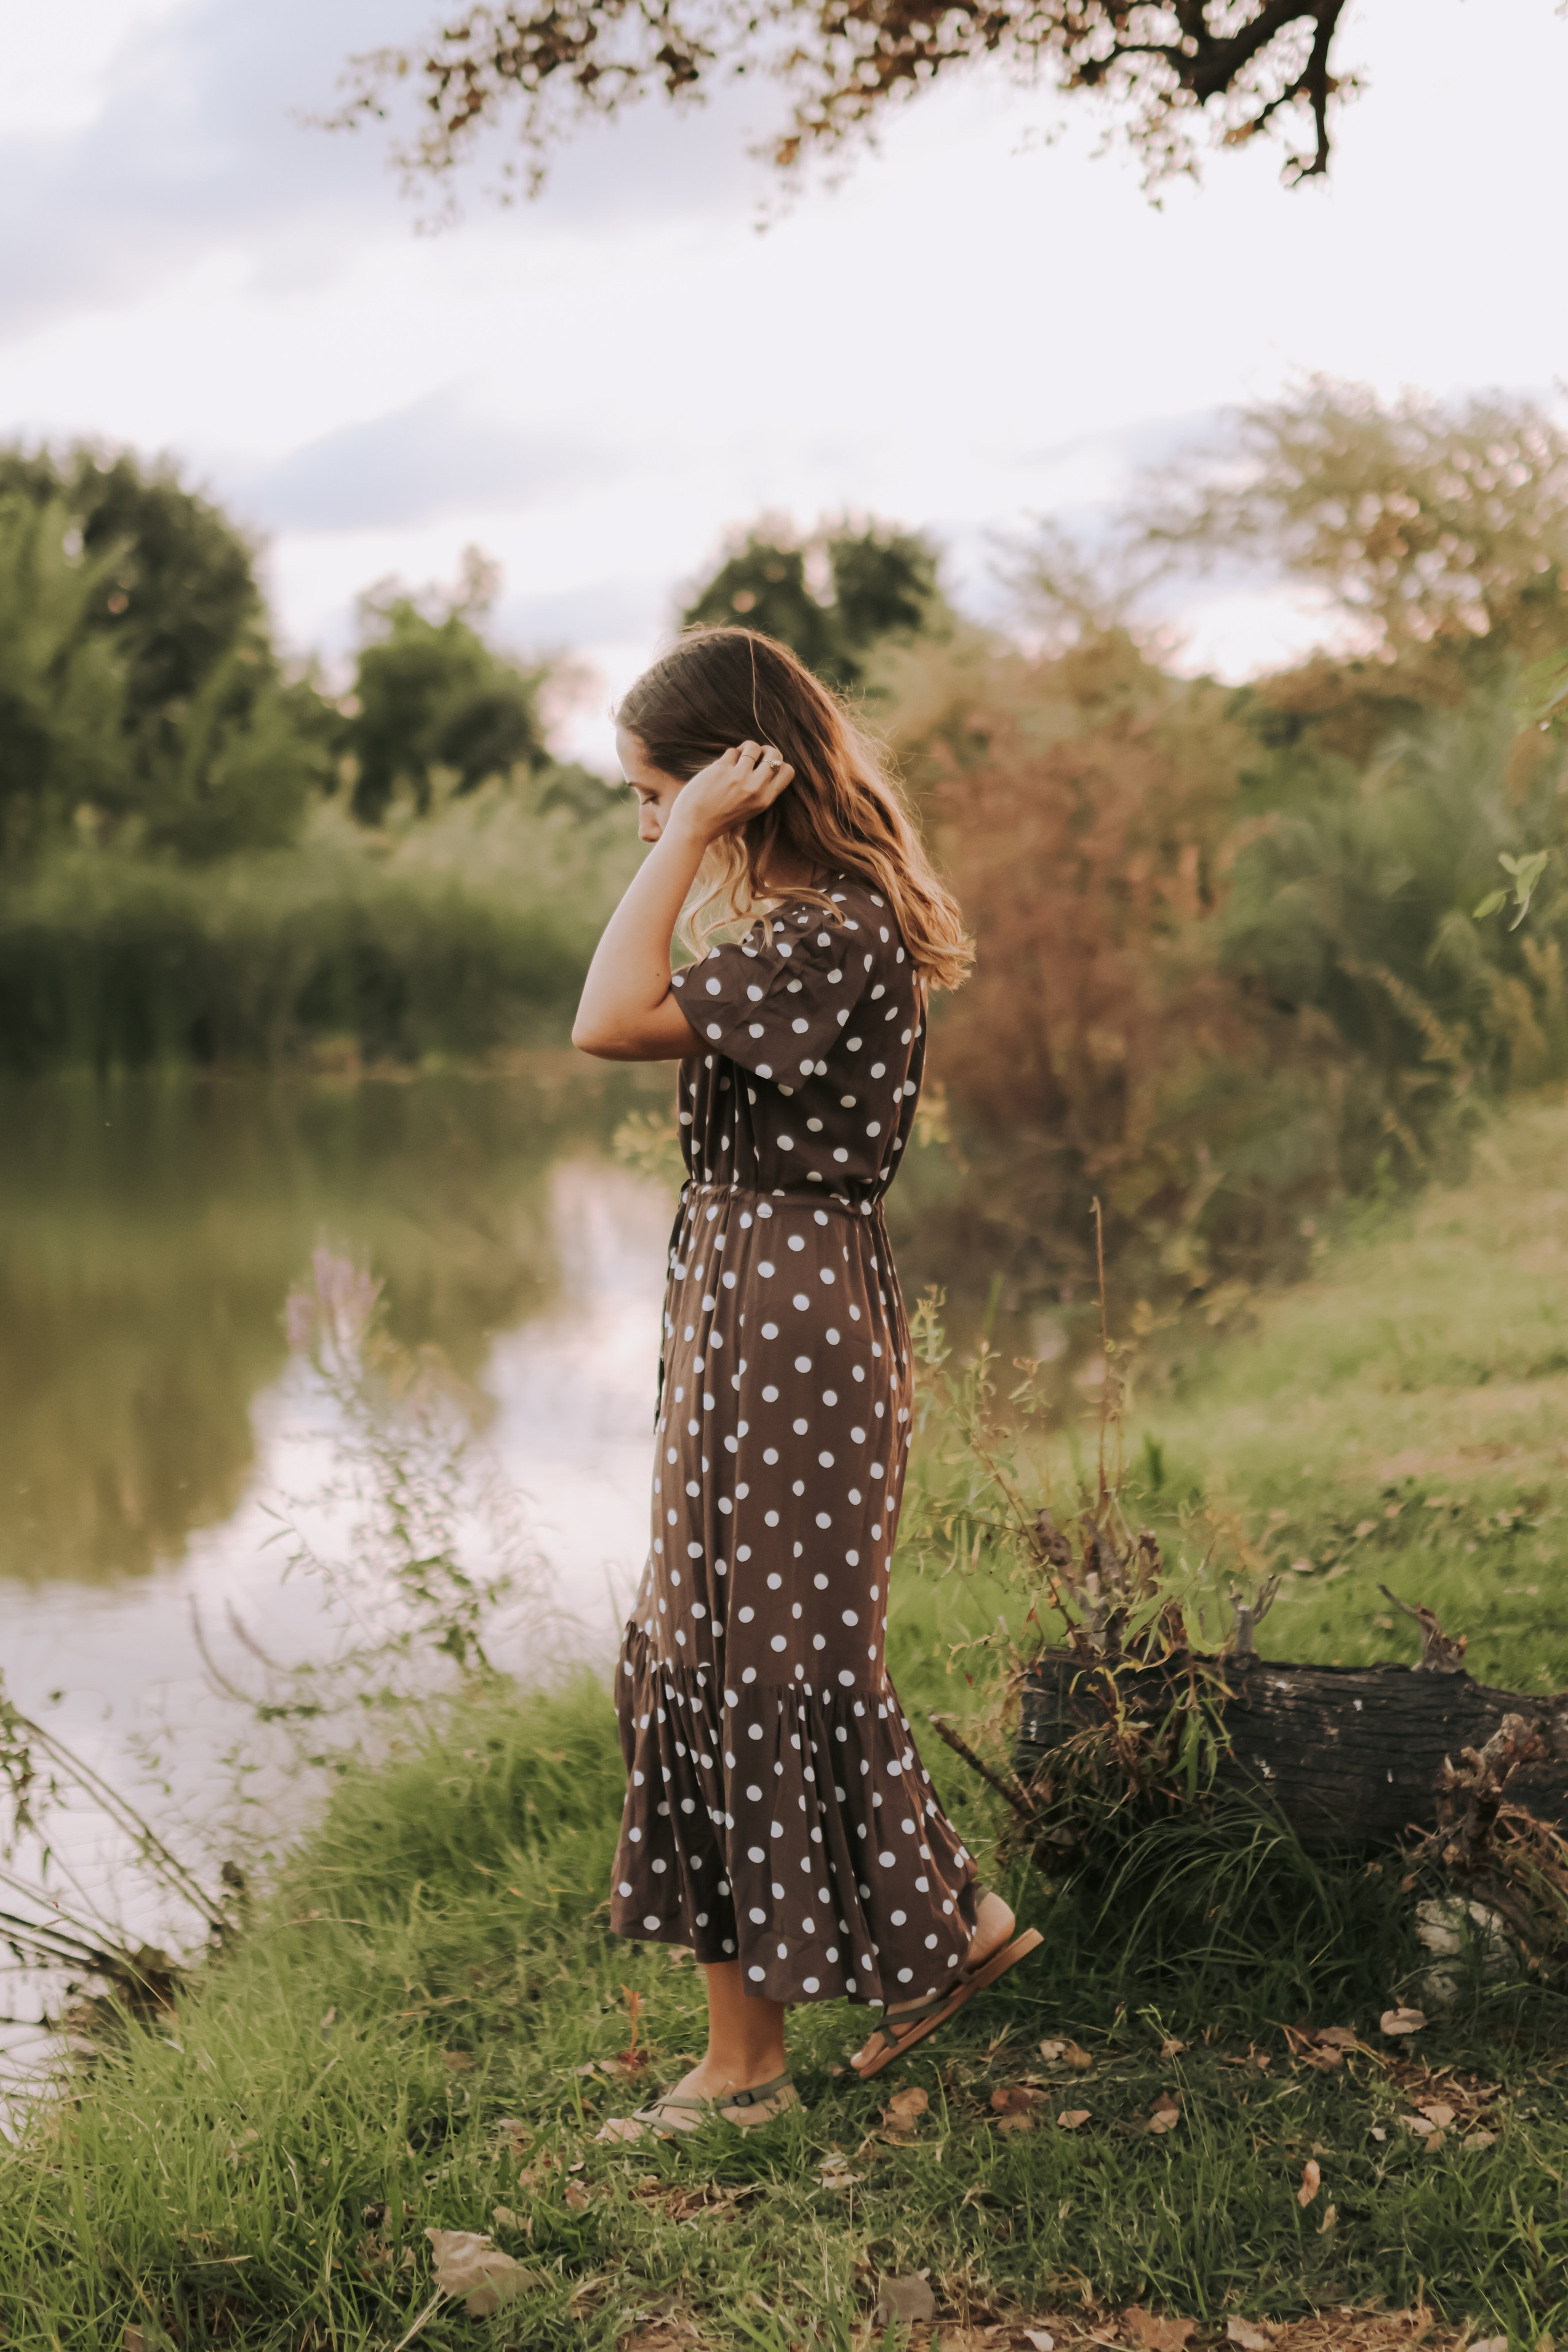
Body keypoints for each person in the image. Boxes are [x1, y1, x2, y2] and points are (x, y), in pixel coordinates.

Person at [572, 627, 1039, 2135]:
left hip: (782, 1310)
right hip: (744, 1295)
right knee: (710, 1649)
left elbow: (604, 1019)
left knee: (751, 1658)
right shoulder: (801, 929)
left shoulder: (829, 931)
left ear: (738, 778)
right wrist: (690, 830)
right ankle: (942, 1931)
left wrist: (685, 839)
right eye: (644, 808)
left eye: (655, 796)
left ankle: (751, 2062)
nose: (649, 828)